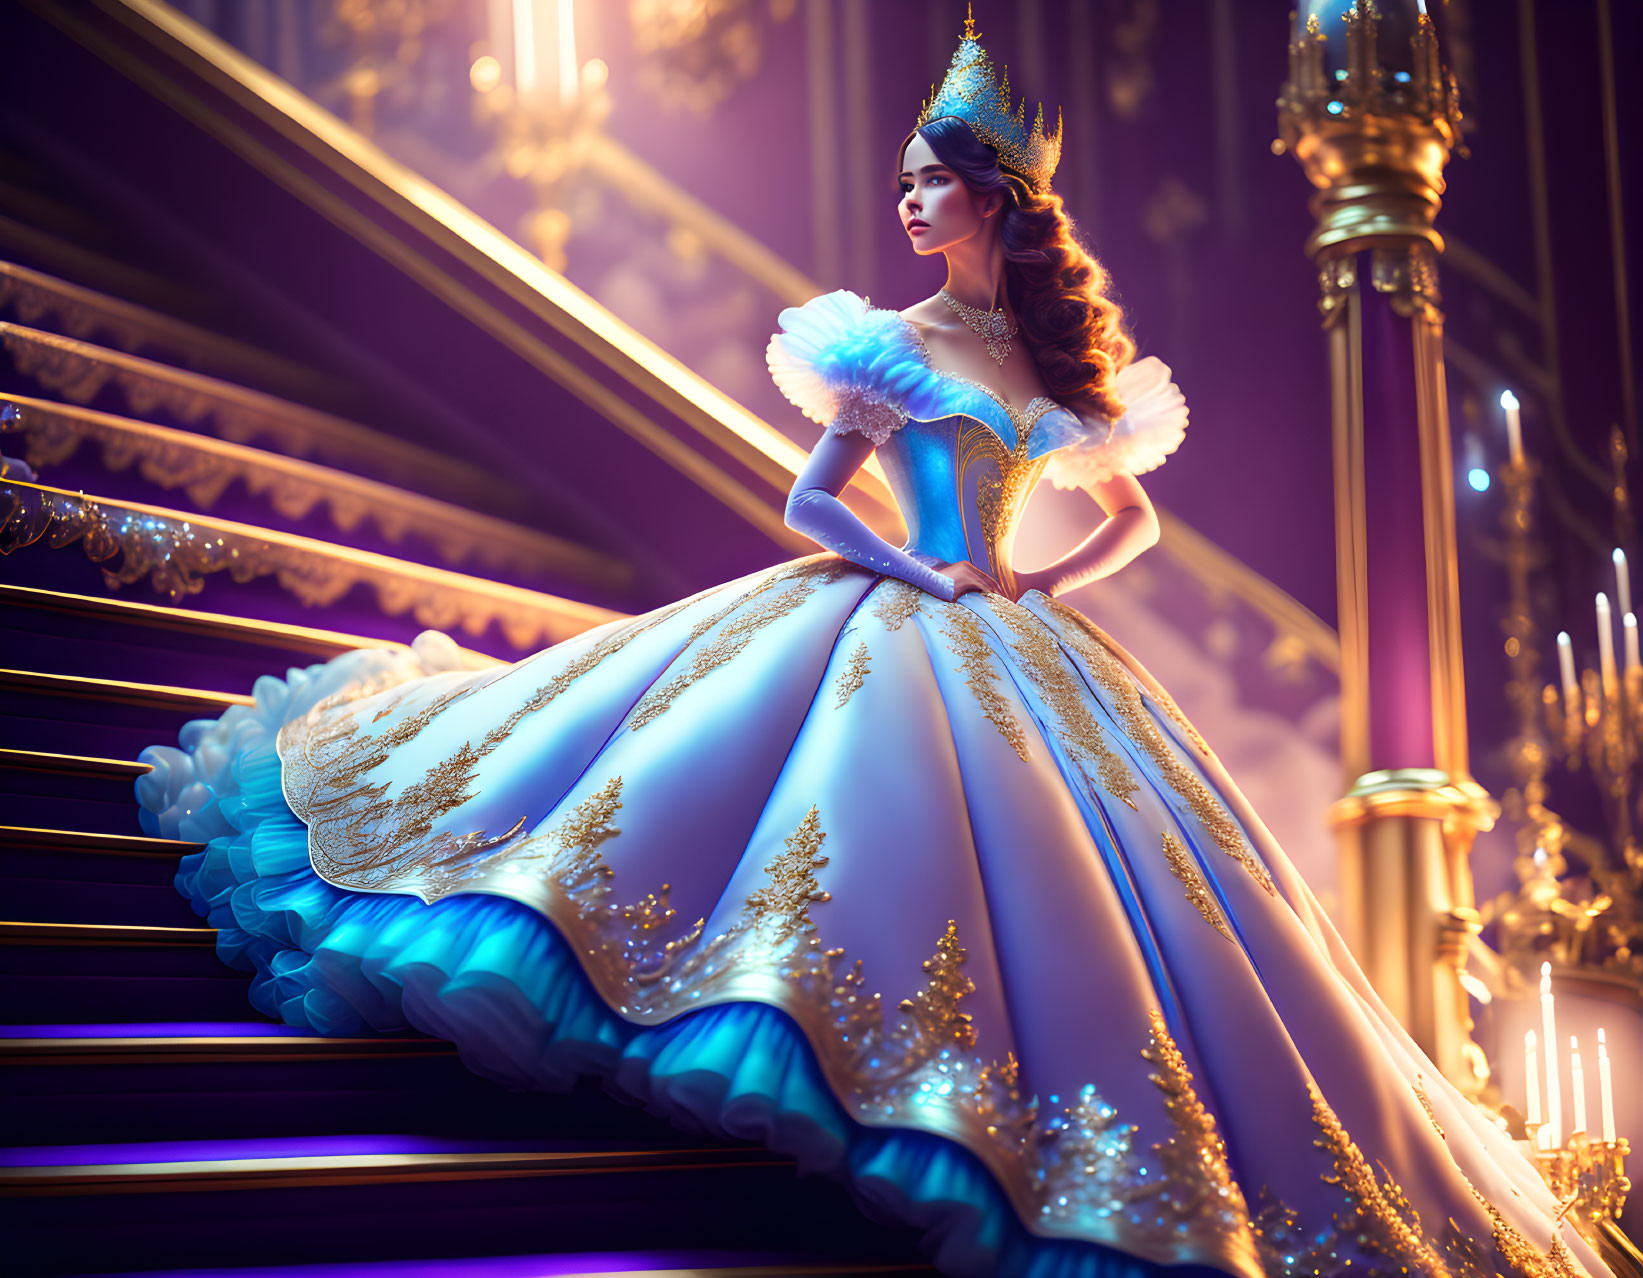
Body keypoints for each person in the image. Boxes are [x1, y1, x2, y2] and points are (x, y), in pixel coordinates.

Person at [136, 13, 1615, 1278]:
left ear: (996, 204)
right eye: (903, 181)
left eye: (932, 185)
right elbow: (804, 501)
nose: (908, 204)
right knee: (865, 842)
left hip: (1012, 640)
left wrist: (1038, 589)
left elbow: (1139, 523)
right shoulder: (887, 342)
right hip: (902, 617)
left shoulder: (1044, 362)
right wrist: (926, 571)